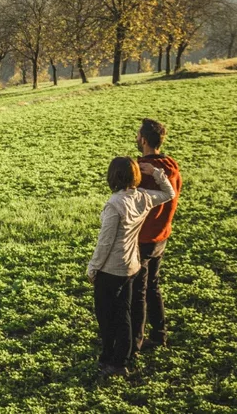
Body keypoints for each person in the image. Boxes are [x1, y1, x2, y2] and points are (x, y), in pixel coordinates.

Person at [88, 156, 176, 377]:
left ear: (113, 177)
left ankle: (109, 358)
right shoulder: (143, 197)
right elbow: (169, 193)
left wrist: (93, 268)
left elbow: (105, 243)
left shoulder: (114, 205)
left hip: (110, 269)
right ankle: (122, 360)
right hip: (131, 265)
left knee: (106, 316)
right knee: (124, 313)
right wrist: (156, 173)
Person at [132, 117, 181, 353]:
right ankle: (159, 334)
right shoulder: (171, 166)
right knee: (152, 286)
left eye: (137, 134)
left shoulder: (141, 170)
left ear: (143, 140)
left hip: (142, 238)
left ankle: (135, 342)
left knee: (138, 292)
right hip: (162, 236)